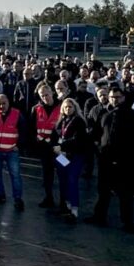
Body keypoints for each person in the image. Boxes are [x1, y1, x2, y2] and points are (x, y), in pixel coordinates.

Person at [86, 86, 134, 233]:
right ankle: (100, 216)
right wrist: (98, 146)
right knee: (103, 190)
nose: (114, 100)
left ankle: (128, 223)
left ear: (123, 98)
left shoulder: (131, 115)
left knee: (125, 194)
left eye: (117, 97)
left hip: (124, 160)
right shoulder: (105, 114)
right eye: (112, 97)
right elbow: (97, 132)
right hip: (105, 158)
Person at [51, 96, 90, 224]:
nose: (68, 109)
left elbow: (78, 140)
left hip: (76, 155)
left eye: (70, 107)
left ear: (75, 107)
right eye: (66, 107)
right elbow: (56, 135)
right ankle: (66, 205)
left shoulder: (79, 121)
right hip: (62, 155)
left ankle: (74, 210)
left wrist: (62, 146)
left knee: (72, 179)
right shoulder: (61, 120)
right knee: (63, 179)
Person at [31, 84, 61, 209]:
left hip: (59, 149)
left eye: (47, 95)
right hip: (44, 149)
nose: (45, 98)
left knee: (63, 171)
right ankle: (48, 198)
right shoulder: (36, 109)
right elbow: (32, 128)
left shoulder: (61, 107)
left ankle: (65, 201)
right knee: (47, 174)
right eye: (42, 96)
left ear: (52, 93)